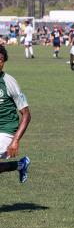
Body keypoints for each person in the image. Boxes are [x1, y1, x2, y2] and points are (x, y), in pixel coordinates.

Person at [0, 45, 31, 183]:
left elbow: (26, 114)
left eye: (0, 59)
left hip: (6, 129)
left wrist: (15, 141)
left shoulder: (9, 82)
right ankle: (20, 165)